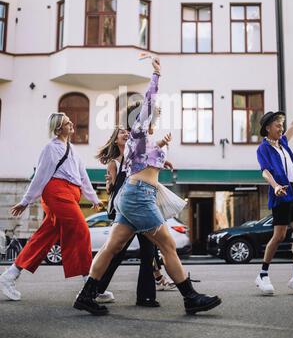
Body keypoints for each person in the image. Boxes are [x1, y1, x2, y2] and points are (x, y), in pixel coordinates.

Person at [74, 57, 222, 315]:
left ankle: (86, 295)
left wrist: (162, 161)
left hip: (133, 195)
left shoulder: (144, 142)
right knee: (168, 245)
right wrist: (156, 75)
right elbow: (150, 101)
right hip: (139, 196)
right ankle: (190, 297)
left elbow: (141, 164)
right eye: (152, 115)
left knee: (112, 247)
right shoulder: (138, 132)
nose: (154, 118)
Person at [0, 113, 106, 315]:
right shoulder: (50, 148)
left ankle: (9, 275)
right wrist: (25, 201)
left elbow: (83, 176)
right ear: (58, 129)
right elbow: (40, 175)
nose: (72, 124)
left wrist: (93, 199)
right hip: (57, 193)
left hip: (69, 194)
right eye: (67, 123)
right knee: (82, 230)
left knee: (44, 237)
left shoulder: (72, 150)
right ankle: (90, 286)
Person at [94, 126, 161, 307]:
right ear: (115, 140)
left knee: (148, 251)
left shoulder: (136, 156)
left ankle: (146, 297)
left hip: (141, 208)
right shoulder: (114, 162)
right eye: (121, 133)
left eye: (126, 132)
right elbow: (110, 189)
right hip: (125, 210)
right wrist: (109, 183)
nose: (125, 134)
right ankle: (96, 289)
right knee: (116, 252)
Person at [256, 110, 293, 295]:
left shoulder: (282, 143)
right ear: (268, 128)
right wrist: (274, 186)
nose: (281, 128)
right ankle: (263, 274)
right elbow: (265, 171)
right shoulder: (263, 148)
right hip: (281, 192)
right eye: (277, 125)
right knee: (279, 236)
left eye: (281, 124)